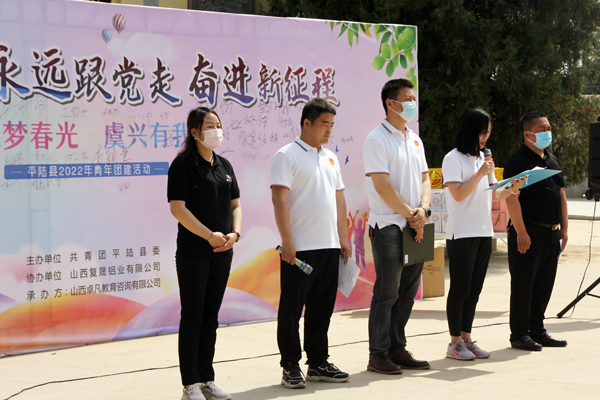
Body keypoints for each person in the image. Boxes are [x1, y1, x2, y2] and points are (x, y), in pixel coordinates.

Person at [271, 98, 351, 389]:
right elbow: (279, 199)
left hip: (328, 245)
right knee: (292, 309)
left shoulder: (330, 157)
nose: (329, 129)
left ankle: (318, 362)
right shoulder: (286, 155)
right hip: (300, 248)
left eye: (332, 124)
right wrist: (287, 241)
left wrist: (343, 238)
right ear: (307, 123)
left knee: (321, 308)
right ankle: (290, 365)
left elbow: (339, 199)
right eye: (324, 124)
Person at [168, 107, 242, 400]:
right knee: (193, 317)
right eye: (209, 125)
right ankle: (190, 384)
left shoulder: (224, 165)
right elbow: (178, 209)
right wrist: (209, 235)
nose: (216, 130)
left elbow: (236, 205)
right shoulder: (183, 165)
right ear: (195, 132)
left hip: (223, 252)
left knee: (211, 316)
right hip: (194, 253)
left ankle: (207, 379)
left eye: (218, 124)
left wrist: (234, 234)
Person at [442, 108, 525, 360]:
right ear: (470, 130)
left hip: (483, 231)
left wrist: (513, 188)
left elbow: (493, 194)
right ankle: (454, 343)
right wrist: (480, 172)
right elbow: (458, 194)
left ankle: (467, 339)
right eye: (482, 132)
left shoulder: (483, 158)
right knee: (460, 289)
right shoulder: (453, 158)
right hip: (461, 233)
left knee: (474, 290)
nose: (485, 138)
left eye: (488, 132)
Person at [363, 78, 431, 375]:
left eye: (414, 98)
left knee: (407, 291)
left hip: (416, 224)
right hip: (389, 224)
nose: (413, 103)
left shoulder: (414, 139)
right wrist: (410, 214)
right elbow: (382, 185)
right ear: (390, 103)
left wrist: (423, 210)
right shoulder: (377, 138)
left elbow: (426, 179)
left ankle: (396, 348)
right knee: (387, 292)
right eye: (407, 99)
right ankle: (377, 354)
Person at [504, 111, 568, 351]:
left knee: (544, 283)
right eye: (542, 129)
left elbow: (561, 194)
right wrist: (521, 231)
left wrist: (564, 228)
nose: (548, 132)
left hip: (551, 232)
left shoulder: (552, 160)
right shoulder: (518, 162)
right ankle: (520, 334)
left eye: (549, 128)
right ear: (527, 134)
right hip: (528, 231)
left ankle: (538, 330)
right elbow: (511, 198)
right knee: (524, 284)